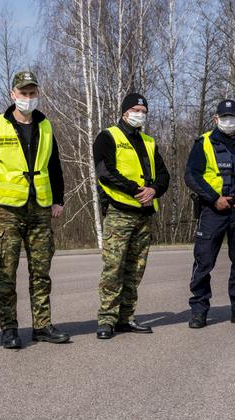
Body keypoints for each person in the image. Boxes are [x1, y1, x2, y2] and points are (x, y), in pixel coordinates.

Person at [0, 70, 69, 349]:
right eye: (23, 93)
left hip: (39, 208)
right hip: (7, 211)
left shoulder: (46, 126)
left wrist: (58, 200)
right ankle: (9, 329)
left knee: (41, 271)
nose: (28, 98)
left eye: (32, 93)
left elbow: (55, 166)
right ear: (13, 94)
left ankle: (42, 325)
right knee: (6, 272)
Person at [184, 99, 235, 328]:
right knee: (204, 262)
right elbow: (192, 175)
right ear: (216, 119)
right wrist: (213, 198)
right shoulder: (204, 143)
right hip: (213, 211)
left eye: (233, 117)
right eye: (224, 117)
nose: (229, 121)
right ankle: (199, 311)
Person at [93, 93, 170, 339]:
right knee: (113, 268)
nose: (140, 114)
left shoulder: (149, 141)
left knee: (135, 269)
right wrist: (135, 190)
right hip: (119, 213)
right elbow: (105, 172)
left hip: (144, 215)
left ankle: (126, 318)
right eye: (136, 109)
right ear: (125, 112)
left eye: (144, 110)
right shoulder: (108, 137)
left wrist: (154, 190)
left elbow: (163, 175)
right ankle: (106, 319)